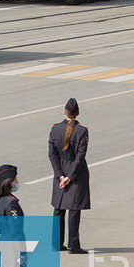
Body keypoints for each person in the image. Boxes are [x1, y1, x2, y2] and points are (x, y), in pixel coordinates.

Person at [48, 98, 90, 253]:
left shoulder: (55, 129)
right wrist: (70, 177)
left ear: (64, 111)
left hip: (60, 171)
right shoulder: (82, 130)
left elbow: (52, 155)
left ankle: (56, 243)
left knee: (59, 208)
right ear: (77, 113)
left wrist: (60, 175)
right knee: (74, 209)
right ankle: (74, 244)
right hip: (76, 173)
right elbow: (80, 157)